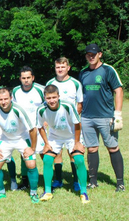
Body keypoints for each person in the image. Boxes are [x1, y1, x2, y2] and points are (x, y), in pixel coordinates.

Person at [79, 43, 124, 192]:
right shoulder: (83, 72)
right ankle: (93, 181)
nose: (91, 57)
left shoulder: (107, 70)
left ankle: (120, 182)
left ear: (100, 54)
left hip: (105, 116)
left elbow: (118, 90)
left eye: (94, 54)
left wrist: (117, 113)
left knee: (112, 147)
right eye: (88, 55)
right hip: (87, 117)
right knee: (92, 149)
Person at [0, 88, 40, 203]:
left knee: (31, 164)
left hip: (22, 138)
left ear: (11, 98)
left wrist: (32, 148)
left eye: (6, 99)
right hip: (6, 139)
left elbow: (32, 129)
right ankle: (1, 192)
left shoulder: (18, 109)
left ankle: (33, 193)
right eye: (0, 99)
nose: (3, 102)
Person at [37, 85, 89, 203]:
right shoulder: (41, 109)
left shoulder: (68, 106)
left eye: (54, 97)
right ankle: (48, 191)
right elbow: (40, 127)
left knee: (79, 160)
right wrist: (46, 143)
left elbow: (77, 124)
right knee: (47, 160)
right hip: (55, 137)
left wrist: (77, 143)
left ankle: (84, 192)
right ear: (44, 98)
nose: (52, 100)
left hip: (72, 135)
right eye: (48, 98)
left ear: (59, 96)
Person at [46, 57, 83, 191]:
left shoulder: (76, 83)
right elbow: (47, 104)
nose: (60, 69)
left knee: (72, 152)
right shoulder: (50, 83)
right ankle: (58, 179)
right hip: (56, 125)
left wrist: (73, 120)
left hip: (71, 126)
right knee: (57, 152)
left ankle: (76, 181)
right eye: (57, 67)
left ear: (68, 67)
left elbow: (79, 104)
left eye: (63, 67)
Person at [12, 66, 45, 190]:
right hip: (23, 130)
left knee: (44, 153)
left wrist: (45, 122)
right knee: (24, 154)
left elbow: (47, 106)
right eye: (23, 78)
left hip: (38, 128)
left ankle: (51, 179)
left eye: (28, 78)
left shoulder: (41, 90)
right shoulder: (15, 91)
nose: (26, 80)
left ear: (33, 78)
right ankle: (25, 181)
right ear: (20, 79)